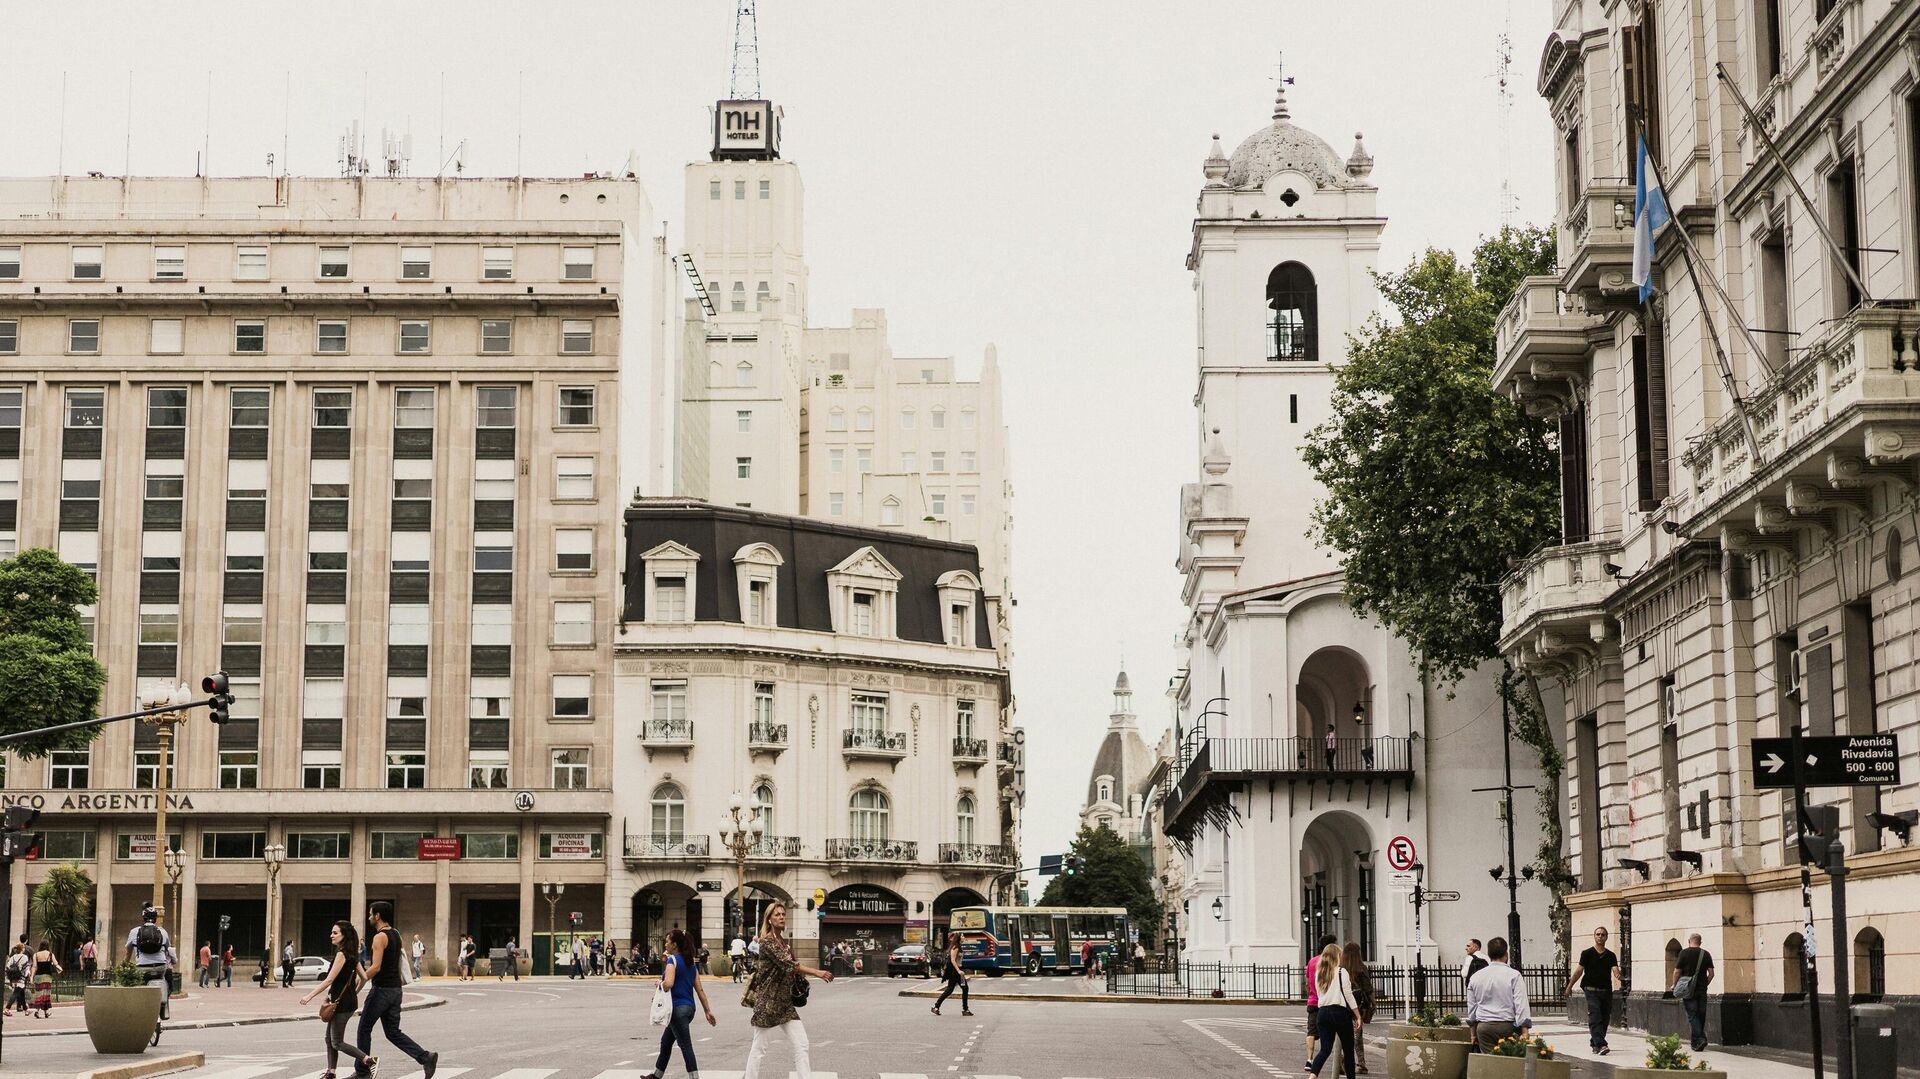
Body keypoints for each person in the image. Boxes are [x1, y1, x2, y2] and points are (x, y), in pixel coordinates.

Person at [741, 903, 833, 1079]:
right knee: (759, 1048)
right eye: (777, 915)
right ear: (770, 919)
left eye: (783, 914)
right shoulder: (767, 941)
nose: (782, 917)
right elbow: (789, 965)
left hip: (785, 1003)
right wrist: (817, 972)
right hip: (768, 1003)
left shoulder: (782, 941)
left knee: (802, 1044)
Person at [355, 901, 438, 1079]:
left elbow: (375, 967)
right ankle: (425, 1057)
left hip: (381, 990)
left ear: (377, 916)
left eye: (371, 914)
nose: (369, 917)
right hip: (396, 991)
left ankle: (362, 1071)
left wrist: (358, 982)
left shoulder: (379, 937)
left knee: (364, 1028)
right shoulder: (396, 934)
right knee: (392, 1032)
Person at [300, 919, 374, 1079]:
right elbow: (364, 977)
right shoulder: (353, 955)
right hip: (346, 1002)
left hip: (342, 1004)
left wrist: (309, 996)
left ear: (344, 935)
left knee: (337, 1042)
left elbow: (329, 980)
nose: (331, 935)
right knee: (329, 1039)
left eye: (335, 933)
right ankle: (331, 1072)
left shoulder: (342, 954)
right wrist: (354, 992)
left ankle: (369, 1061)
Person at [642, 928, 715, 1079]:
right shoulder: (690, 963)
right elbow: (699, 989)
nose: (666, 944)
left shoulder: (672, 960)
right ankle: (656, 1075)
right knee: (666, 1042)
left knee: (685, 1046)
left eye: (668, 942)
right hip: (689, 1009)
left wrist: (659, 983)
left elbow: (668, 984)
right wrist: (707, 1010)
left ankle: (694, 1077)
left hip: (676, 1010)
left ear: (675, 945)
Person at [1465, 937, 1532, 1053]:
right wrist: (1525, 1030)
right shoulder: (1514, 975)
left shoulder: (1476, 977)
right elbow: (1521, 1004)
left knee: (1490, 1064)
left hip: (1484, 1027)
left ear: (1489, 955)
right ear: (1506, 954)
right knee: (1509, 1062)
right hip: (1508, 1026)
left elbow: (1472, 1007)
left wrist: (1473, 1034)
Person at [1305, 943, 1358, 1079]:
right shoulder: (1341, 972)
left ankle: (1312, 1076)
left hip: (1322, 1013)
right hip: (1339, 1013)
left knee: (1325, 1049)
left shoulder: (1319, 973)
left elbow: (1318, 993)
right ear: (1337, 956)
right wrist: (1358, 1015)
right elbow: (1348, 995)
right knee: (1348, 1051)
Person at [1567, 926, 1621, 1055]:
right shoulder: (1587, 953)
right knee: (1595, 1015)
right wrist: (1569, 986)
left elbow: (1615, 969)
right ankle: (1602, 1044)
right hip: (1590, 990)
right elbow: (1579, 971)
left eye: (1603, 935)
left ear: (1606, 937)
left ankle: (1595, 1042)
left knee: (1604, 1018)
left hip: (1606, 990)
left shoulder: (1610, 955)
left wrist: (1618, 974)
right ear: (1594, 936)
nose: (1600, 937)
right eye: (1598, 934)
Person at [1674, 932, 1715, 1052]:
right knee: (1701, 1015)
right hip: (1702, 989)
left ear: (1689, 941)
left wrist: (1675, 985)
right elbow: (1711, 974)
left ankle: (1701, 1038)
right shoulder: (1706, 954)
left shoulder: (1684, 953)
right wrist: (1704, 984)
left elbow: (1677, 971)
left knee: (1692, 1015)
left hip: (1688, 989)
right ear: (1700, 942)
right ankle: (1696, 1042)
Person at [1303, 934, 1336, 1067]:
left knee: (1311, 1032)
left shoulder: (1312, 961)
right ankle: (1337, 1060)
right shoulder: (1332, 962)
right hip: (1328, 1002)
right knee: (1331, 1032)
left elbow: (1307, 982)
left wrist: (1311, 993)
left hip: (1313, 1001)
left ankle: (1309, 1059)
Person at [125, 905, 173, 995]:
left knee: (140, 985)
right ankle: (164, 999)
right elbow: (168, 950)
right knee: (164, 980)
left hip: (142, 966)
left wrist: (124, 966)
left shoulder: (134, 931)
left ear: (143, 918)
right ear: (155, 919)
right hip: (160, 967)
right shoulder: (163, 932)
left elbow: (128, 952)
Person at [1342, 942, 1374, 1075]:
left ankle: (1342, 1061)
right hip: (1357, 1007)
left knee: (1342, 1034)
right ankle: (1361, 1063)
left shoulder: (1341, 968)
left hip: (1343, 1006)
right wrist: (1372, 1003)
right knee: (1357, 1035)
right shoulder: (1361, 968)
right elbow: (1368, 989)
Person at [931, 934, 972, 1017]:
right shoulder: (955, 947)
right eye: (963, 936)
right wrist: (959, 971)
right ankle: (965, 1009)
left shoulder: (959, 946)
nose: (964, 937)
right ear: (959, 937)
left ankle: (936, 1007)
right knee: (954, 989)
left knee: (958, 989)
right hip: (955, 971)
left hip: (958, 970)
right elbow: (953, 960)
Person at [6, 943, 30, 1015]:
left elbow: (7, 966)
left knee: (21, 994)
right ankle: (7, 1008)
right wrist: (27, 976)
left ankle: (26, 1010)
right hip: (21, 978)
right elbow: (27, 968)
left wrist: (10, 975)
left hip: (13, 978)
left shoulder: (13, 957)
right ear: (22, 949)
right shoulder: (24, 957)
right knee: (16, 993)